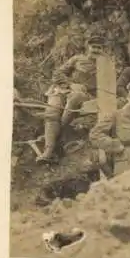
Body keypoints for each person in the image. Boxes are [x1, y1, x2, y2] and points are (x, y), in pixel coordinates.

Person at [36, 35, 106, 163]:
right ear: (87, 47)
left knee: (76, 97)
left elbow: (108, 88)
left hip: (84, 96)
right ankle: (48, 152)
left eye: (99, 48)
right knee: (52, 112)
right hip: (63, 89)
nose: (95, 50)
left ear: (102, 50)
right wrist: (70, 84)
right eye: (93, 47)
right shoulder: (77, 59)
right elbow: (57, 73)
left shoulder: (105, 66)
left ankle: (55, 135)